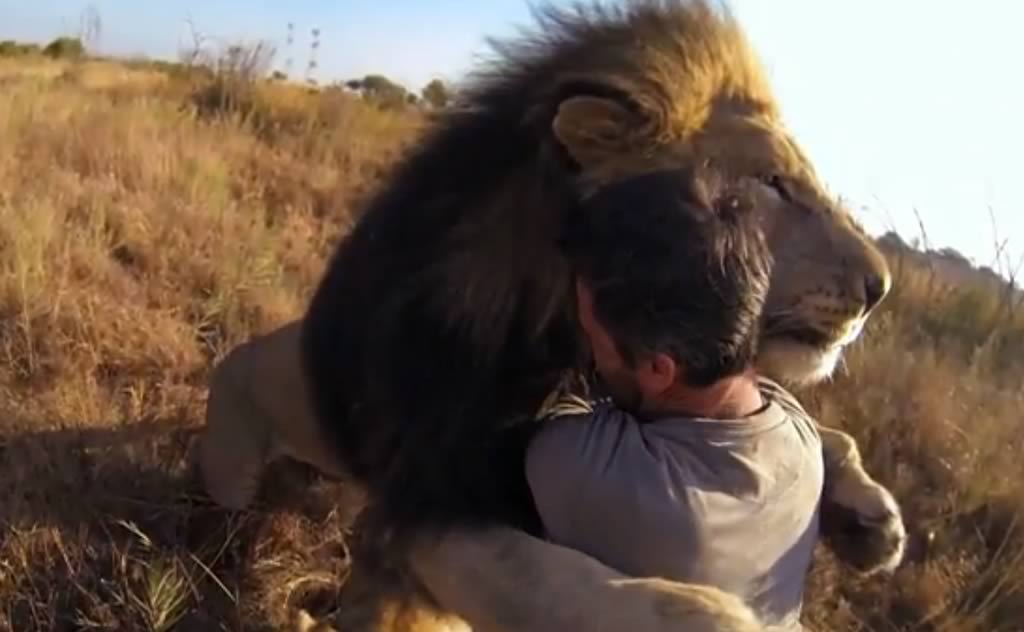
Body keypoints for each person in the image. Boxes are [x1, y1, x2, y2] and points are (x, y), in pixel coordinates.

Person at [526, 168, 825, 630]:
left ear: (657, 369)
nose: (588, 353)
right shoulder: (802, 445)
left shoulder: (588, 470)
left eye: (591, 335)